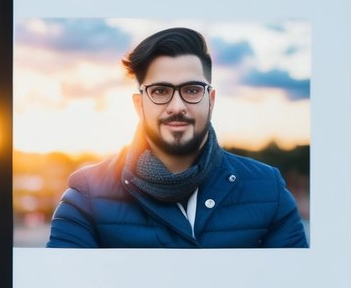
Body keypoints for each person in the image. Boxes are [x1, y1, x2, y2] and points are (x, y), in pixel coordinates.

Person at [46, 27, 308, 249]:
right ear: (139, 104)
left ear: (211, 100)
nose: (177, 106)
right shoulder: (86, 197)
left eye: (192, 90)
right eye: (160, 91)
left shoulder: (268, 189)